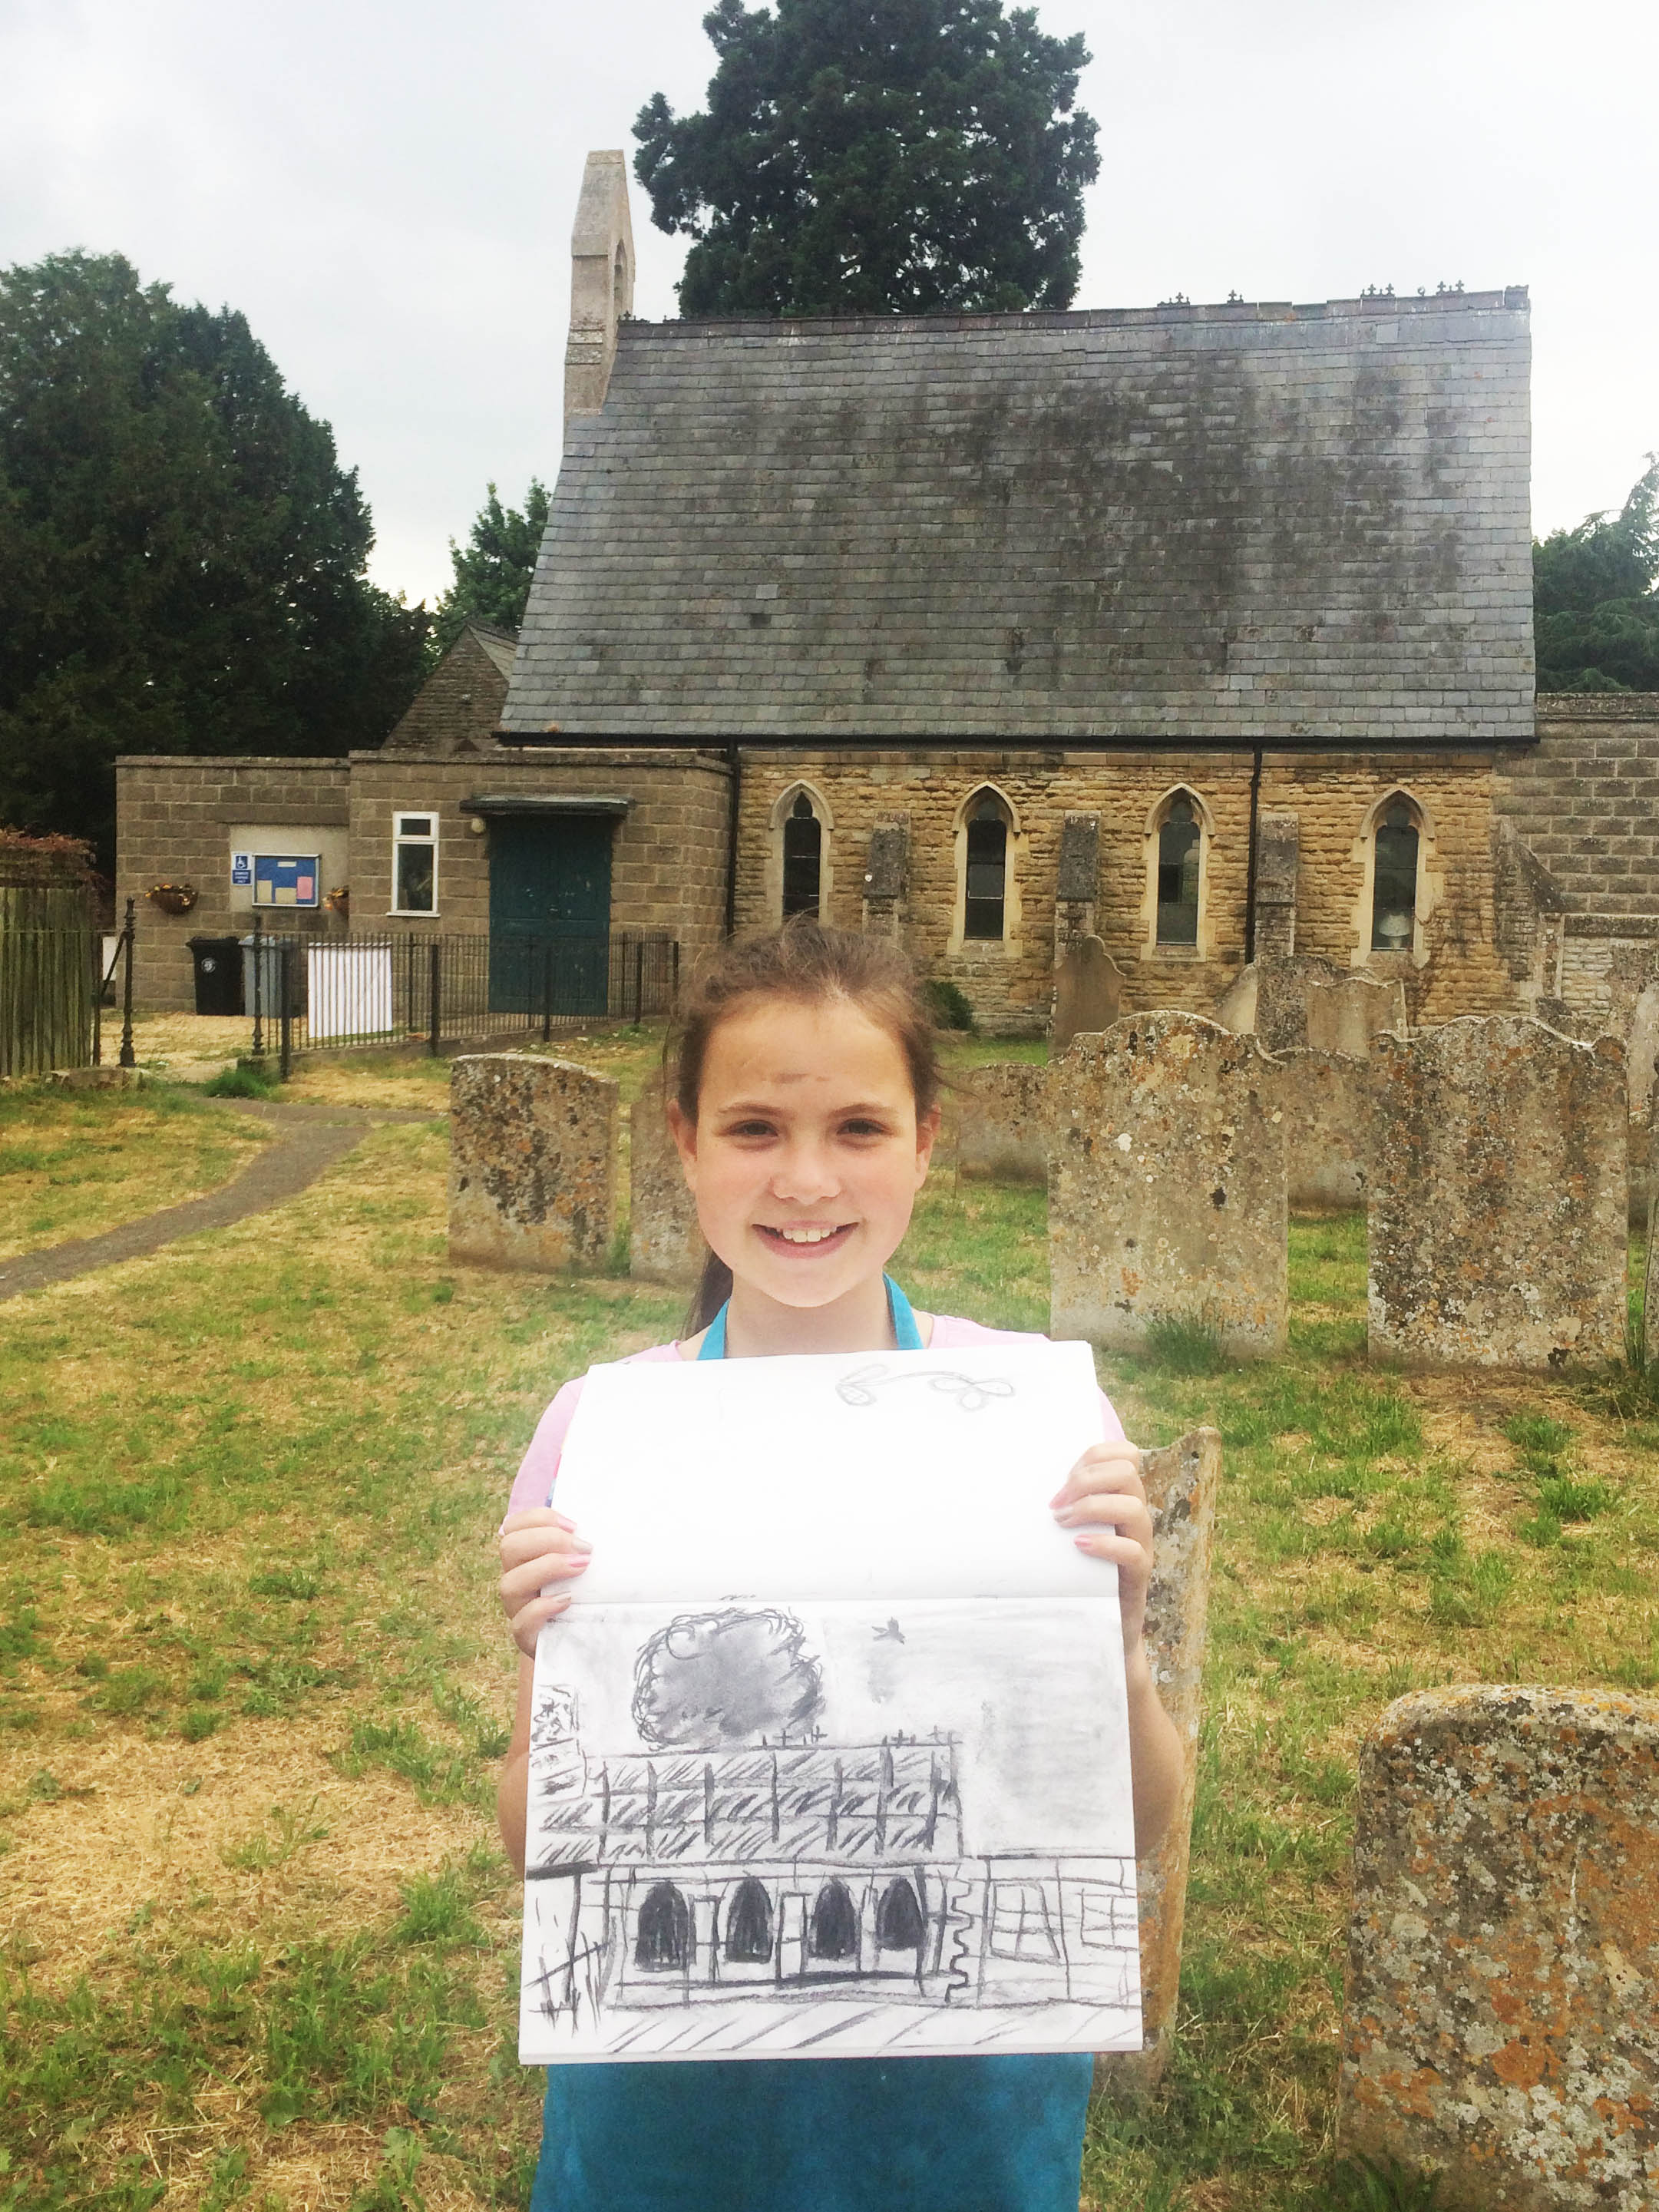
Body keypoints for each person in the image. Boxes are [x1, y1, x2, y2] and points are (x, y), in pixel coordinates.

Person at [497, 922, 1184, 2212]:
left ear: (925, 1142)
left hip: (961, 2133)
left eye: (858, 1128)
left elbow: (1134, 1826)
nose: (805, 1179)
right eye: (754, 1128)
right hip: (668, 2129)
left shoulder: (1038, 1424)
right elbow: (536, 1844)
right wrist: (562, 1678)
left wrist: (1121, 1650)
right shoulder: (600, 1435)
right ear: (683, 1141)